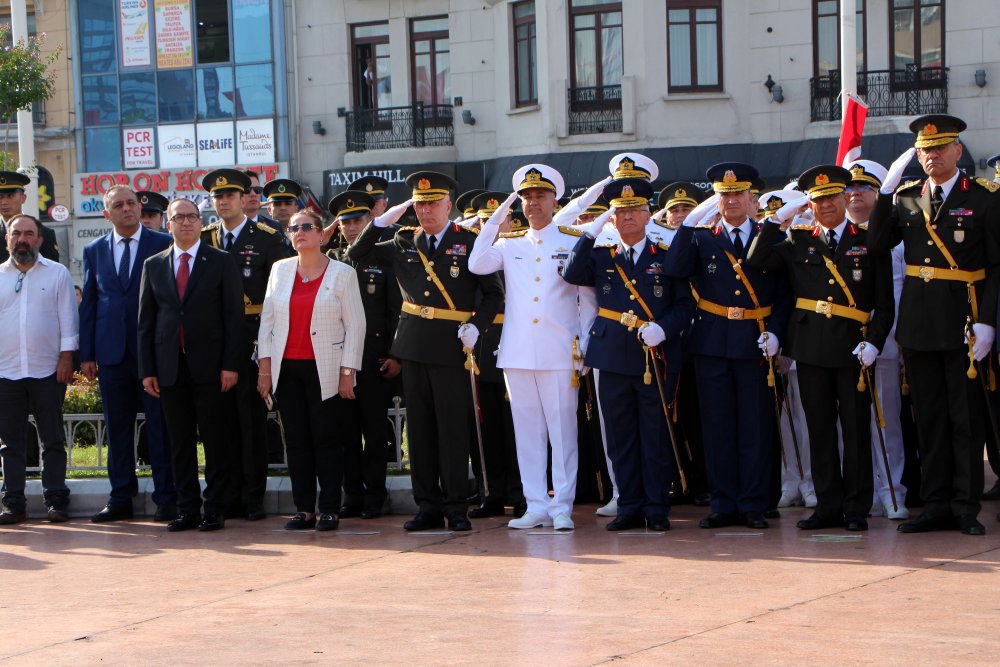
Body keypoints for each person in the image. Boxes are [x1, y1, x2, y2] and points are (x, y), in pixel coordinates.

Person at [868, 114, 1000, 536]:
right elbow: (877, 243)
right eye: (925, 150)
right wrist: (885, 193)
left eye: (940, 148)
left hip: (964, 322)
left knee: (965, 420)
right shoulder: (909, 197)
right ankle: (936, 504)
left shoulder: (983, 198)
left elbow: (996, 266)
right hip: (919, 322)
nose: (932, 156)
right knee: (930, 419)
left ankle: (964, 506)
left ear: (957, 150)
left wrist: (987, 322)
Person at [348, 171, 503, 531]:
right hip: (414, 345)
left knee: (452, 429)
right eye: (420, 204)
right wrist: (379, 222)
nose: (426, 210)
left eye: (432, 203)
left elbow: (494, 294)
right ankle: (427, 506)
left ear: (448, 205)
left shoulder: (470, 240)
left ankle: (456, 506)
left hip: (452, 345)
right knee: (419, 432)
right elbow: (358, 253)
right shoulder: (404, 240)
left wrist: (476, 326)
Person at [749, 166, 895, 532]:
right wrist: (777, 219)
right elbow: (756, 259)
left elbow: (885, 304)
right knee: (819, 429)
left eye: (831, 198)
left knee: (856, 430)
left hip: (853, 347)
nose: (826, 205)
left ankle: (856, 507)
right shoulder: (797, 240)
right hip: (811, 348)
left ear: (845, 198)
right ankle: (828, 505)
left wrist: (874, 342)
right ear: (810, 206)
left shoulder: (868, 240)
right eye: (818, 200)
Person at [659, 162, 791, 530]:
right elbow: (674, 269)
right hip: (712, 342)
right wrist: (687, 225)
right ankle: (723, 503)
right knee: (717, 426)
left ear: (751, 199)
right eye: (724, 195)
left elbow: (785, 293)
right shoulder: (702, 237)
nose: (731, 200)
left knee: (754, 426)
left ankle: (753, 503)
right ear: (716, 200)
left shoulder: (770, 236)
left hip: (754, 341)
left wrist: (776, 333)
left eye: (738, 194)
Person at [468, 165, 599, 531]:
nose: (533, 203)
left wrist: (585, 345)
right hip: (519, 351)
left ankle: (562, 507)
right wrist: (496, 218)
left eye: (540, 196)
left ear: (555, 200)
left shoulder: (572, 240)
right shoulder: (510, 243)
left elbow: (588, 300)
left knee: (563, 433)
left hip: (560, 350)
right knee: (527, 435)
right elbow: (476, 263)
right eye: (526, 197)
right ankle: (536, 504)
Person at [563, 177, 695, 531]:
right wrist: (590, 232)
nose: (628, 216)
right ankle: (629, 505)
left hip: (655, 355)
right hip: (611, 353)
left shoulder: (665, 256)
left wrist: (663, 328)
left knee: (655, 433)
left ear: (649, 214)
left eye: (635, 209)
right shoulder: (601, 255)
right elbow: (571, 272)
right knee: (620, 435)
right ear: (612, 217)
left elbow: (685, 305)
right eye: (621, 211)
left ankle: (656, 507)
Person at [138, 197, 244, 532]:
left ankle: (215, 508)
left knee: (215, 440)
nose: (186, 222)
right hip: (170, 367)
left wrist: (231, 364)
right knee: (179, 442)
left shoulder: (221, 261)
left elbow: (234, 317)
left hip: (212, 367)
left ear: (200, 222)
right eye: (179, 217)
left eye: (192, 217)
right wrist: (147, 370)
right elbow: (146, 322)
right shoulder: (154, 264)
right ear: (168, 224)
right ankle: (187, 508)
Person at [258, 209, 365, 531]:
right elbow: (267, 322)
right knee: (296, 440)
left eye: (307, 227)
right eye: (294, 228)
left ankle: (329, 508)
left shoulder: (343, 273)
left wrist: (348, 373)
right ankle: (304, 509)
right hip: (287, 368)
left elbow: (356, 325)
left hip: (326, 369)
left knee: (327, 439)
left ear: (321, 234)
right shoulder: (280, 270)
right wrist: (264, 369)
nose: (300, 232)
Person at [80, 186, 176, 523]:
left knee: (160, 427)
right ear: (106, 213)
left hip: (153, 353)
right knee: (117, 429)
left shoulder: (163, 243)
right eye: (118, 205)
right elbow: (90, 302)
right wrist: (87, 354)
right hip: (111, 354)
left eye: (131, 203)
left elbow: (170, 300)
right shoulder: (94, 250)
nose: (127, 209)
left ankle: (167, 497)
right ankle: (121, 496)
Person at [201, 168, 292, 521]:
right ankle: (223, 495)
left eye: (230, 196)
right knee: (217, 423)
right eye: (218, 197)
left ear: (243, 199)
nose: (224, 202)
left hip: (253, 337)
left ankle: (252, 496)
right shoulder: (205, 237)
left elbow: (279, 295)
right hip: (214, 340)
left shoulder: (268, 237)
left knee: (251, 422)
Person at [326, 190, 402, 519]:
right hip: (339, 360)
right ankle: (352, 495)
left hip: (374, 359)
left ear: (371, 221)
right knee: (345, 433)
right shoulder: (331, 261)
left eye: (358, 220)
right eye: (345, 222)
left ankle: (375, 496)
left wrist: (395, 354)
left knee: (374, 432)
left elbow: (396, 311)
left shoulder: (384, 258)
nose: (351, 227)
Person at [843, 159, 910, 520]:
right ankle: (860, 491)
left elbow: (903, 293)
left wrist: (896, 339)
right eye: (849, 188)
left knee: (885, 422)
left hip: (887, 339)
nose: (855, 194)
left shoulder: (895, 237)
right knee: (849, 426)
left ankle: (891, 491)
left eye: (864, 187)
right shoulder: (835, 236)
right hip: (843, 343)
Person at [0, 215, 77, 524]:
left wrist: (66, 358)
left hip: (48, 369)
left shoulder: (57, 273)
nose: (22, 239)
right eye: (16, 233)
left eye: (29, 234)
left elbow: (68, 319)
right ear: (7, 239)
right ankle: (13, 503)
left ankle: (56, 500)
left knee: (52, 439)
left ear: (40, 239)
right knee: (10, 443)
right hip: (6, 371)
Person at [464, 191, 526, 518]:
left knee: (517, 424)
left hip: (517, 340)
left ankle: (522, 492)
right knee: (485, 425)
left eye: (502, 220)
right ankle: (490, 492)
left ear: (514, 222)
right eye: (488, 221)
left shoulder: (523, 250)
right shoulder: (474, 257)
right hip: (483, 345)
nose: (497, 226)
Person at [0, 171, 59, 263]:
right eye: (0, 197)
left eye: (10, 196)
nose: (4, 202)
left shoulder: (44, 233)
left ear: (23, 198)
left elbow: (52, 268)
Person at [242, 168, 282, 233]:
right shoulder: (228, 226)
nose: (253, 194)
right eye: (247, 190)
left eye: (257, 189)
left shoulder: (274, 227)